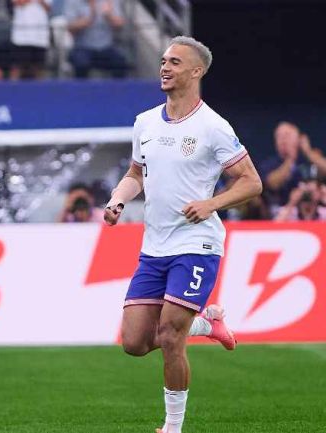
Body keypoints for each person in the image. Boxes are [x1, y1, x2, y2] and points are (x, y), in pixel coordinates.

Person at [103, 36, 263, 433]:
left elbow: (251, 182)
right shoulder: (145, 122)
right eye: (163, 60)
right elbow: (134, 175)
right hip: (154, 245)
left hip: (197, 243)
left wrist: (211, 204)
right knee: (135, 342)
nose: (165, 67)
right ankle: (207, 323)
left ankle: (172, 428)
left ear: (197, 71)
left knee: (171, 336)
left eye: (175, 62)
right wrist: (117, 200)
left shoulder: (213, 127)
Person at [259, 122, 325, 207]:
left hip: (313, 211)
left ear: (298, 139)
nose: (283, 140)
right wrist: (290, 159)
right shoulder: (269, 163)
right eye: (279, 136)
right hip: (282, 211)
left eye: (287, 136)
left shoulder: (310, 158)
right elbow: (272, 184)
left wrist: (308, 152)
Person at [64, 0, 127, 78]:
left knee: (119, 61)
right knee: (81, 63)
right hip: (82, 47)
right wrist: (90, 17)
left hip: (106, 47)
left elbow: (120, 24)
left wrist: (109, 16)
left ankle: (117, 89)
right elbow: (70, 27)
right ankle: (81, 89)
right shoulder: (73, 2)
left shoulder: (110, 1)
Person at [9, 0, 52, 80]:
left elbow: (48, 8)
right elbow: (18, 2)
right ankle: (12, 91)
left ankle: (40, 92)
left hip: (40, 36)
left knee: (39, 69)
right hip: (21, 36)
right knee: (17, 68)